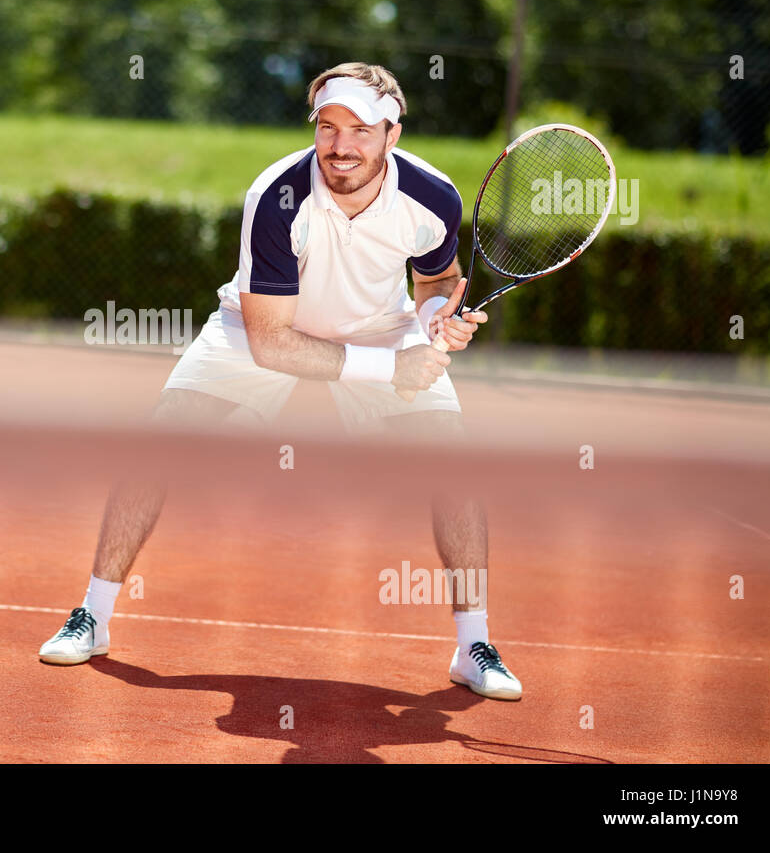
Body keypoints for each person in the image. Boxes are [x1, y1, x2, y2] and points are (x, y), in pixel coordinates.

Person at [39, 62, 521, 700]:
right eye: (328, 127)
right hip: (258, 328)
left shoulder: (433, 197)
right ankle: (93, 617)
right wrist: (391, 368)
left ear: (392, 135)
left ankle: (474, 645)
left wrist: (439, 321)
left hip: (381, 328)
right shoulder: (276, 196)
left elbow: (434, 281)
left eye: (360, 130)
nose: (341, 146)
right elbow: (270, 341)